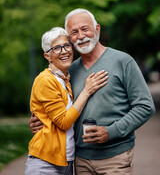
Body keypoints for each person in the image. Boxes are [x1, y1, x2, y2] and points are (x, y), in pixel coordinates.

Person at [30, 9, 155, 175]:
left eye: (85, 29)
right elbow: (59, 110)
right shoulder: (69, 71)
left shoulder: (122, 61)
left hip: (115, 157)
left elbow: (145, 107)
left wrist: (110, 132)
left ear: (97, 29)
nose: (81, 36)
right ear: (69, 38)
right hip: (80, 160)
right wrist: (42, 121)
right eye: (74, 32)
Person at [25, 27, 108, 175]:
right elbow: (63, 122)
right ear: (47, 56)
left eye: (66, 45)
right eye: (56, 48)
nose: (64, 51)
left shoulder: (65, 79)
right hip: (45, 163)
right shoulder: (45, 80)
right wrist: (87, 91)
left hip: (67, 162)